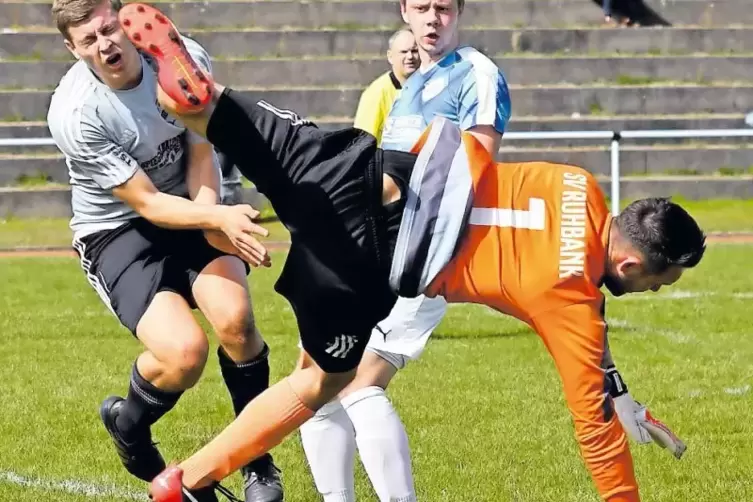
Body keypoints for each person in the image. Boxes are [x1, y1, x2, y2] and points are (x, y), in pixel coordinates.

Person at [116, 5, 703, 501]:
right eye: (661, 280)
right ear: (630, 264)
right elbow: (594, 427)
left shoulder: (578, 183)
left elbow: (463, 149)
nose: (656, 289)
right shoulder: (572, 301)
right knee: (322, 383)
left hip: (368, 171)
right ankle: (187, 480)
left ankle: (204, 99)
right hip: (368, 259)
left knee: (223, 114)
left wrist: (614, 384)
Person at [46, 1, 282, 501]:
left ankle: (256, 459)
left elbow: (200, 150)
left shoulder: (178, 58)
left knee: (237, 323)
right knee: (184, 354)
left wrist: (213, 214)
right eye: (88, 40)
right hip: (118, 229)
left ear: (124, 22)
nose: (105, 44)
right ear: (72, 49)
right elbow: (148, 203)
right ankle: (129, 425)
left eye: (108, 29)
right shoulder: (75, 113)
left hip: (195, 201)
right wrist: (218, 220)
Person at [301, 0, 511, 499]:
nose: (432, 18)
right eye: (421, 7)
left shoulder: (477, 74)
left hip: (425, 255)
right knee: (317, 380)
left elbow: (472, 175)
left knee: (358, 383)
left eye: (443, 7)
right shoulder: (410, 82)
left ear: (460, 11)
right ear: (404, 11)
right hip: (374, 249)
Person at [352, 28, 418, 144]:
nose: (410, 57)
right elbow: (361, 142)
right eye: (403, 52)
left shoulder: (429, 87)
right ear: (390, 56)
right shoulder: (376, 93)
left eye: (415, 51)